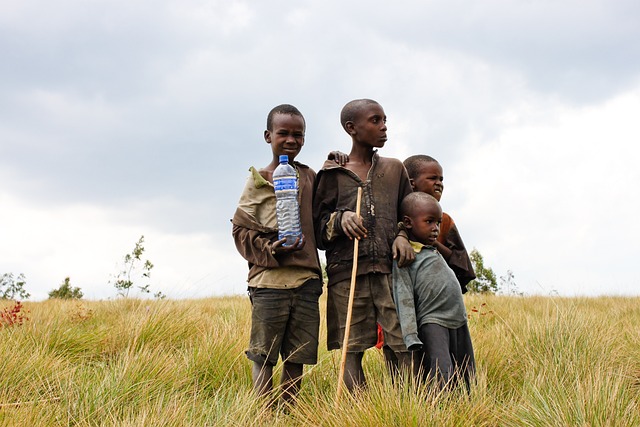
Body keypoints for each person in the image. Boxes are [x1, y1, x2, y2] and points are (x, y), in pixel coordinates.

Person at [313, 99, 415, 393]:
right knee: (351, 349)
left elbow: (407, 215)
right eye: (375, 120)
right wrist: (339, 219)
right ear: (351, 128)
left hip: (390, 273)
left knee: (403, 344)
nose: (384, 127)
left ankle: (407, 408)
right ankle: (362, 413)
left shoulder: (395, 170)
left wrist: (401, 236)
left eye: (385, 120)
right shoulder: (331, 175)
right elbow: (317, 230)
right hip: (348, 274)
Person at [231, 104, 322, 405]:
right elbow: (240, 233)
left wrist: (337, 162)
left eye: (299, 135)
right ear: (268, 136)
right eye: (283, 133)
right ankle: (263, 414)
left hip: (306, 281)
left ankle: (288, 412)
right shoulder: (257, 181)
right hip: (268, 282)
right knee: (263, 355)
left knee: (299, 355)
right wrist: (272, 249)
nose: (291, 140)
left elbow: (322, 216)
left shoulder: (309, 178)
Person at [393, 192, 475, 391]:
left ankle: (464, 412)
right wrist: (411, 335)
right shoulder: (406, 254)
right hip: (433, 321)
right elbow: (402, 295)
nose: (435, 229)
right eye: (429, 222)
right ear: (408, 222)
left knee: (466, 373)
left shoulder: (432, 250)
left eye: (437, 223)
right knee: (441, 373)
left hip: (458, 320)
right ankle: (438, 412)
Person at [403, 155, 475, 293]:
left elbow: (462, 266)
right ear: (412, 183)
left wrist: (433, 243)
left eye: (441, 179)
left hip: (435, 293)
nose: (439, 183)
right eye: (432, 178)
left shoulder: (445, 220)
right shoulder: (394, 215)